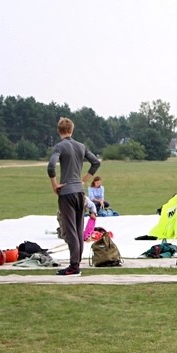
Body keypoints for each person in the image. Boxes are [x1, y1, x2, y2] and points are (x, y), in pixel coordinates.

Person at [47, 117, 100, 276]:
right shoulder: (81, 146)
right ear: (72, 130)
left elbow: (51, 166)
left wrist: (55, 185)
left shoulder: (59, 146)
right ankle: (76, 264)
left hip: (67, 193)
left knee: (70, 231)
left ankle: (73, 267)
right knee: (78, 230)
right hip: (79, 192)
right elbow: (96, 162)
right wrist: (83, 180)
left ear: (59, 131)